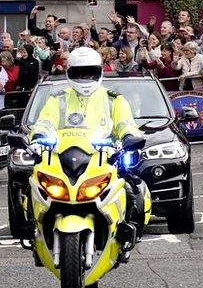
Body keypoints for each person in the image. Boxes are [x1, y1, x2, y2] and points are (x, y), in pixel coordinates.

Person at [28, 48, 146, 247]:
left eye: (90, 72)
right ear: (69, 72)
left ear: (99, 71)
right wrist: (38, 136)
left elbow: (125, 123)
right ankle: (33, 230)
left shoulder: (113, 99)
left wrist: (128, 137)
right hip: (63, 156)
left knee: (132, 188)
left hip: (104, 157)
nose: (85, 78)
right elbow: (44, 122)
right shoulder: (58, 99)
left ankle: (129, 233)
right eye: (80, 73)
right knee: (32, 182)